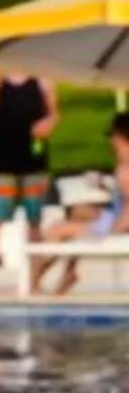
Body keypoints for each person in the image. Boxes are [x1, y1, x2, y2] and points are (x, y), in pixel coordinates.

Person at [31, 111, 129, 295]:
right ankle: (68, 273)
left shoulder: (126, 166)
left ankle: (32, 282)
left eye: (113, 136)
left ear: (121, 137)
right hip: (114, 215)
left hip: (118, 222)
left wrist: (114, 230)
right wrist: (104, 185)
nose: (111, 141)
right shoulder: (123, 162)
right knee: (77, 211)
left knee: (57, 230)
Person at [0, 63, 59, 293]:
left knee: (34, 222)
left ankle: (34, 278)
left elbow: (54, 114)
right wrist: (1, 65)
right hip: (4, 162)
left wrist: (48, 123)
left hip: (33, 162)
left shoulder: (42, 80)